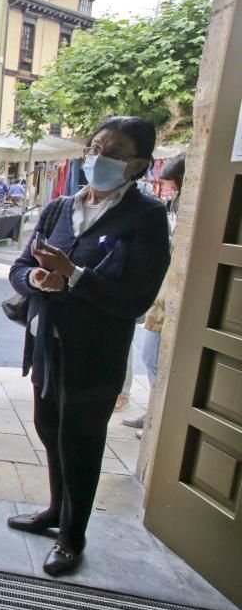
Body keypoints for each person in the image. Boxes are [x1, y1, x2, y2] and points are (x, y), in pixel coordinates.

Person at [6, 116, 170, 576]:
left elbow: (135, 299)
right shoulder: (60, 207)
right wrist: (36, 277)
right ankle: (57, 511)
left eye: (113, 152)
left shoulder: (146, 217)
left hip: (93, 354)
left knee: (81, 441)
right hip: (46, 346)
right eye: (95, 147)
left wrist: (75, 275)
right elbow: (20, 267)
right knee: (48, 428)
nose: (98, 158)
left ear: (137, 164)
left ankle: (73, 537)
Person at [124, 154, 185, 437]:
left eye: (174, 186)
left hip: (168, 299)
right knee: (151, 355)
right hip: (162, 300)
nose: (173, 192)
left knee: (154, 357)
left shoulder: (152, 212)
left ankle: (158, 418)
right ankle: (154, 412)